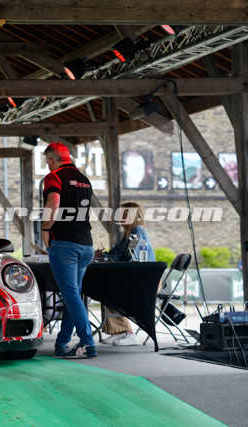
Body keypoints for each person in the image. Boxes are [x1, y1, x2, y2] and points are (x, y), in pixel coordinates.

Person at [41, 142, 96, 358]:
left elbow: (53, 203)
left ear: (52, 159)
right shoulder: (84, 179)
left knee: (71, 295)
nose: (47, 166)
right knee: (73, 296)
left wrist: (45, 228)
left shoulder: (54, 177)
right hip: (86, 244)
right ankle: (62, 342)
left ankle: (87, 343)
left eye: (47, 162)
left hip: (65, 244)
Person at [95, 201, 155, 346]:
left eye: (123, 214)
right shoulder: (126, 234)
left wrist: (105, 258)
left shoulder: (137, 233)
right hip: (135, 277)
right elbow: (116, 255)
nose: (120, 217)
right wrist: (102, 255)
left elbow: (130, 258)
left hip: (144, 281)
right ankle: (119, 332)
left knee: (107, 290)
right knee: (104, 288)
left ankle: (128, 333)